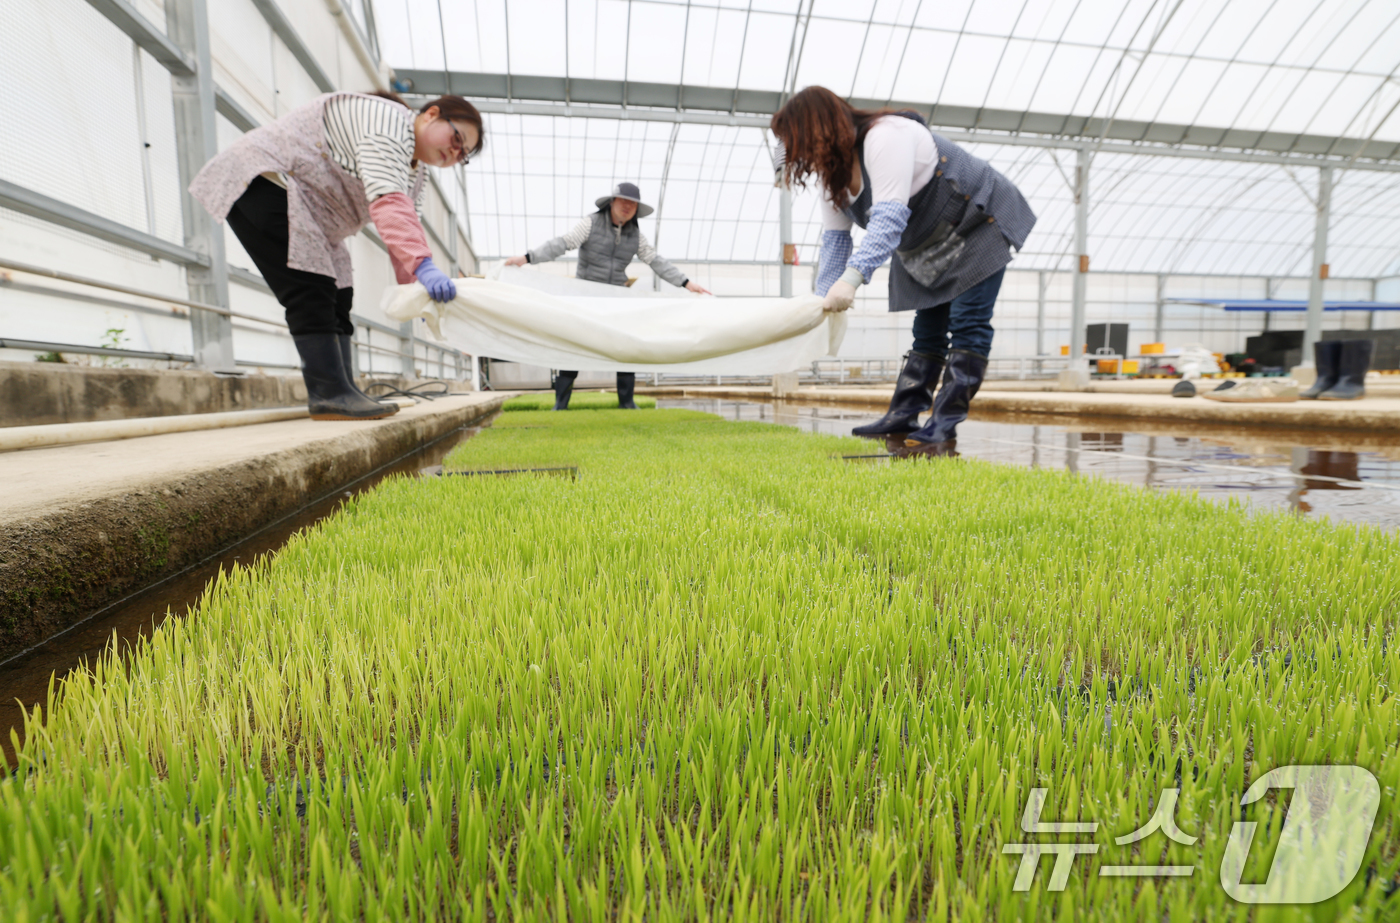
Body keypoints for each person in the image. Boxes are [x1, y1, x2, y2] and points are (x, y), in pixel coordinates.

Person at [770, 86, 1036, 449]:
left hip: (973, 224)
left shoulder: (885, 136)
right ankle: (903, 414)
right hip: (926, 243)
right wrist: (823, 299)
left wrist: (852, 279)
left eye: (799, 142)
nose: (801, 155)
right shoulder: (833, 178)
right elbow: (835, 241)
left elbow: (889, 216)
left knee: (967, 324)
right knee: (927, 332)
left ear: (820, 129)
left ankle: (944, 422)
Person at [190, 90, 482, 420]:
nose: (455, 152)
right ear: (431, 114)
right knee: (310, 287)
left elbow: (404, 231)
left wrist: (422, 293)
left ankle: (342, 389)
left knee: (341, 294)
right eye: (457, 137)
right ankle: (329, 393)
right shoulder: (388, 121)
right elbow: (388, 202)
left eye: (464, 154)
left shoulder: (416, 174)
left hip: (312, 215)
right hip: (264, 179)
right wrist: (424, 266)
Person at [504, 182, 712, 410]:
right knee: (575, 346)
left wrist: (686, 283)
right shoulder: (590, 223)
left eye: (633, 203)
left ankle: (627, 403)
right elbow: (563, 243)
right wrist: (526, 258)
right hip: (585, 297)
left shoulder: (636, 236)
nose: (627, 206)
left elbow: (655, 261)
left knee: (625, 347)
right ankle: (560, 404)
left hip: (616, 300)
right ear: (612, 201)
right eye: (623, 200)